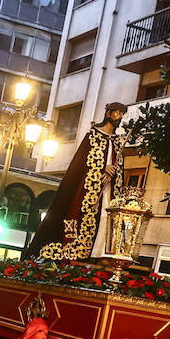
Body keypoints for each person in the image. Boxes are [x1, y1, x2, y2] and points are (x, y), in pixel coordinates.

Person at [23, 102, 126, 261]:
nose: (120, 117)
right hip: (90, 191)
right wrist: (102, 168)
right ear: (108, 114)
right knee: (86, 219)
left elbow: (120, 170)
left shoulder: (119, 142)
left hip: (109, 192)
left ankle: (99, 255)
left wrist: (114, 171)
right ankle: (80, 253)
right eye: (117, 113)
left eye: (122, 114)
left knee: (106, 219)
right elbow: (81, 164)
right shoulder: (92, 136)